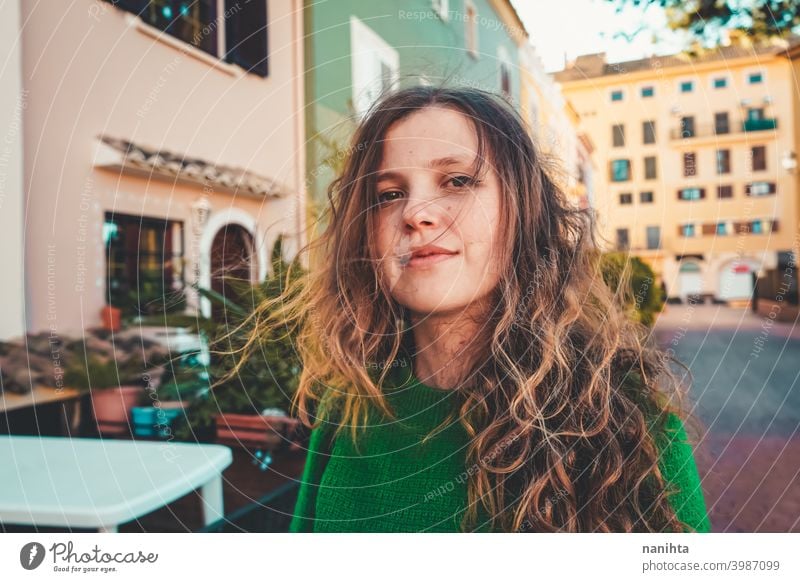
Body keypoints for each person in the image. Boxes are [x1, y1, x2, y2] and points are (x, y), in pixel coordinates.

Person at [250, 85, 711, 533]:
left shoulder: (627, 421)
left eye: (457, 181)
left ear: (523, 211)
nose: (415, 212)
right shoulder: (346, 407)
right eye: (388, 194)